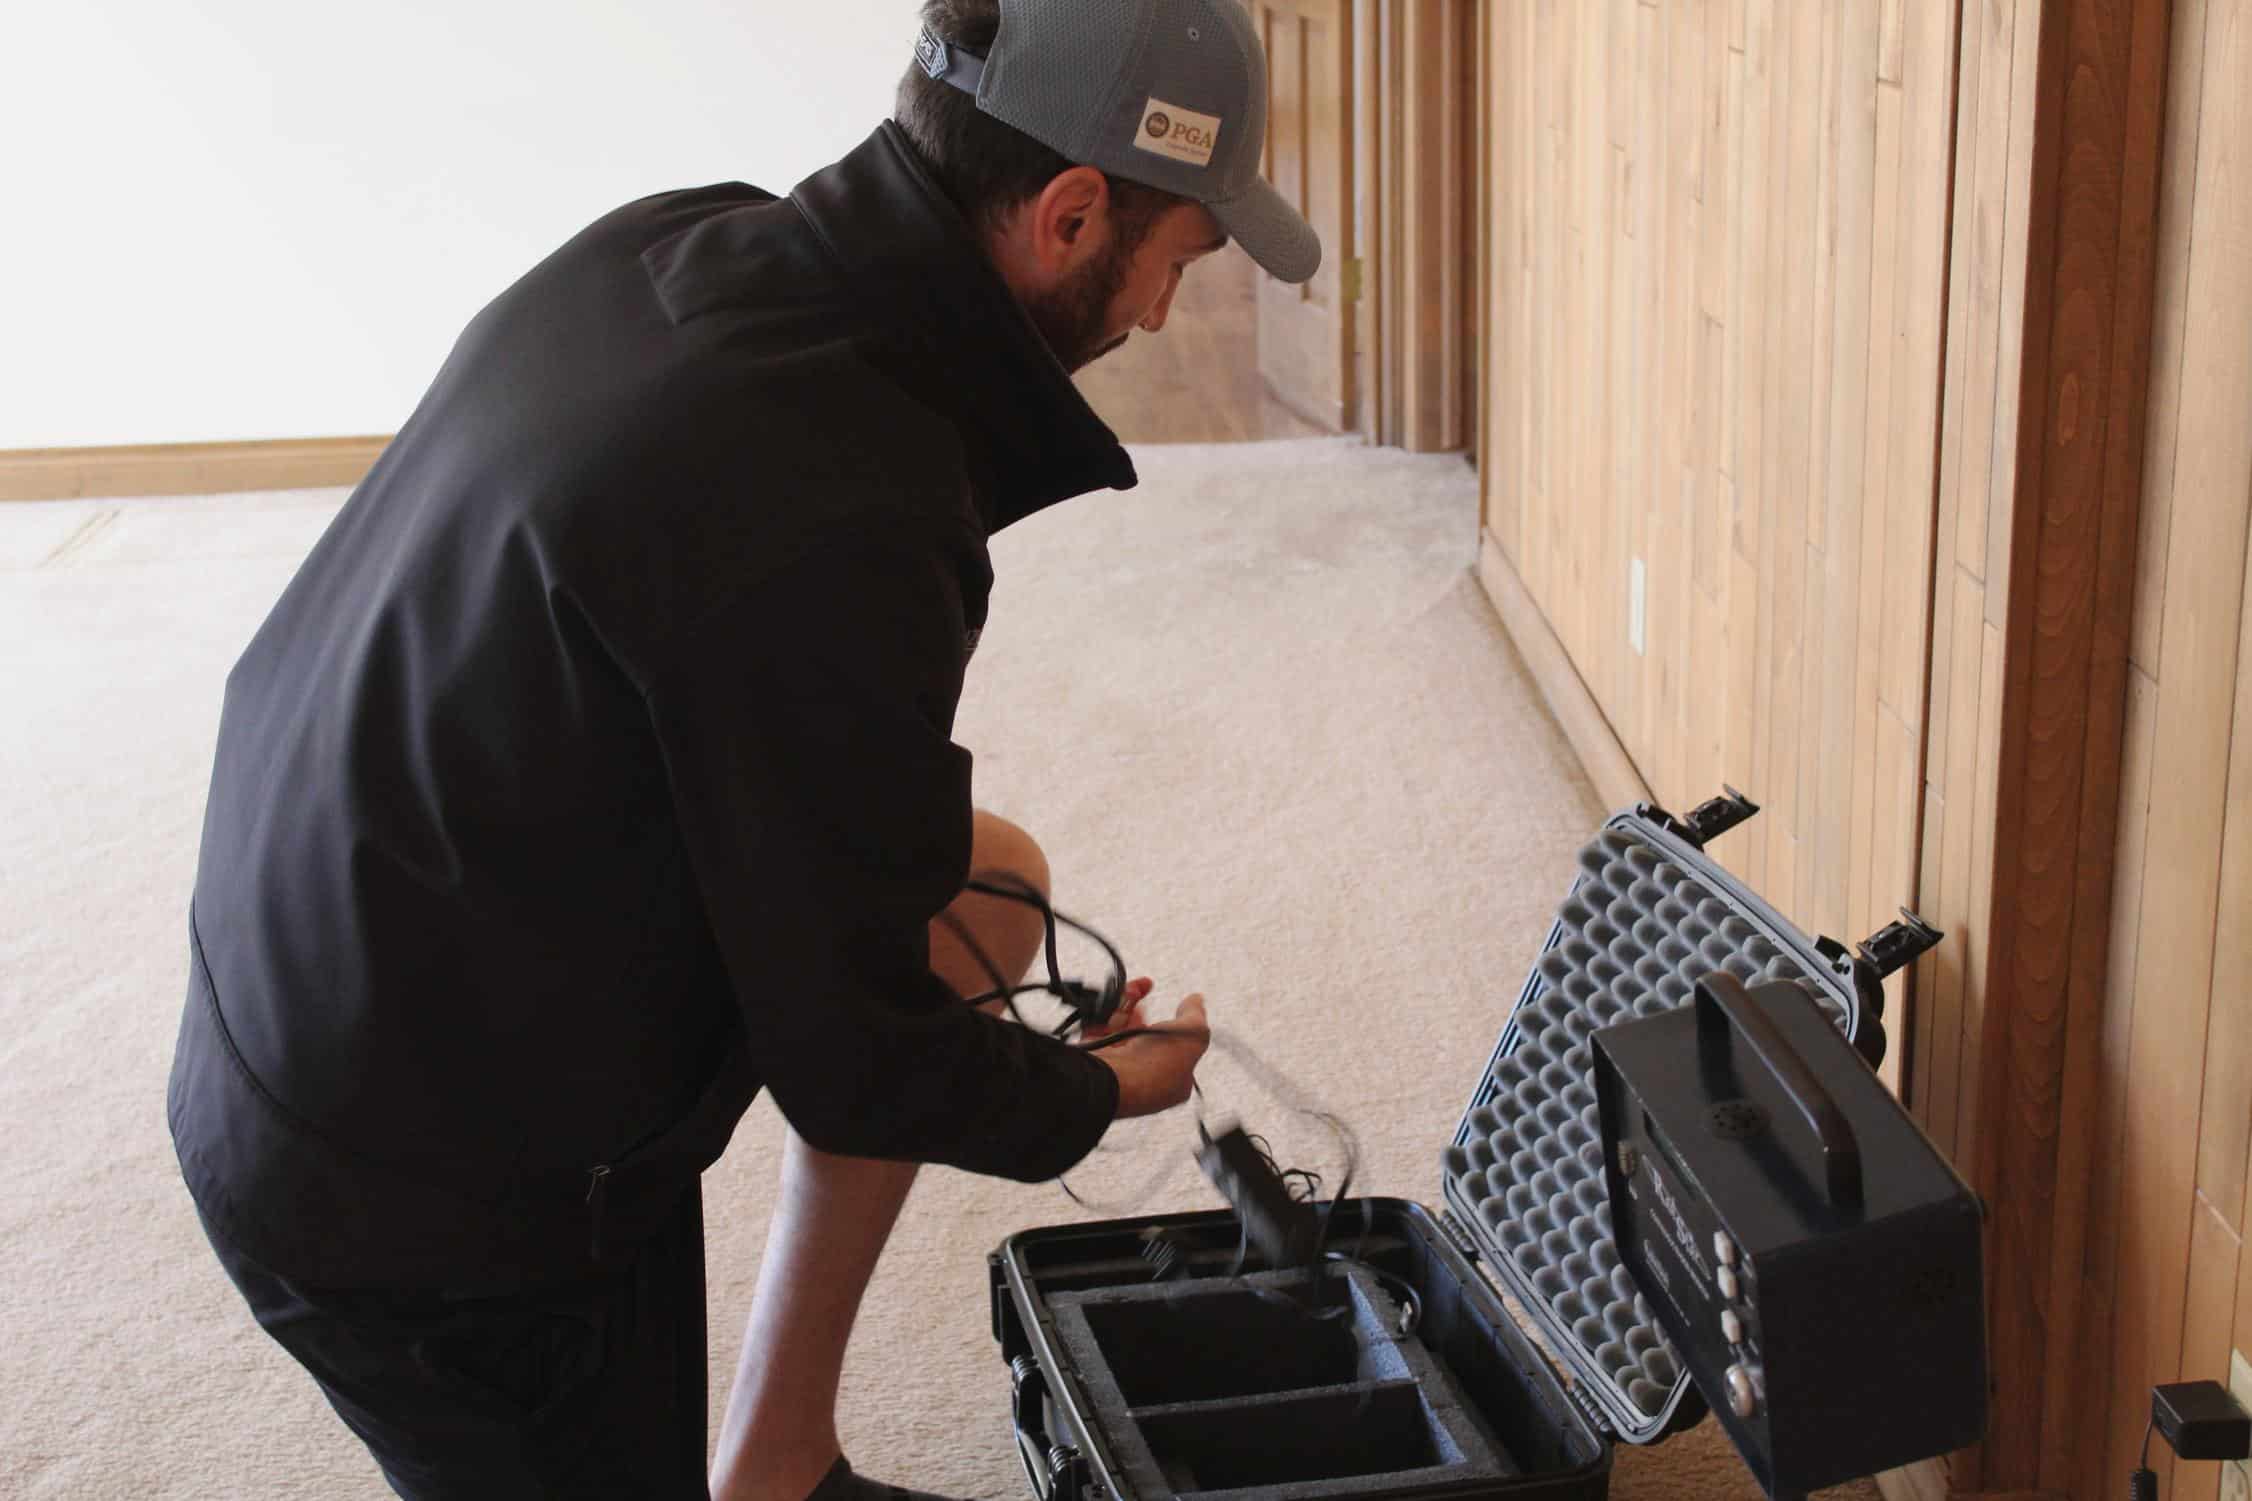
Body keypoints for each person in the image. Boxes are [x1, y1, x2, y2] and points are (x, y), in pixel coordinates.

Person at [166, 0, 1321, 1496]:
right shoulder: (843, 500)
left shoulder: (696, 239)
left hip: (341, 955)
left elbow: (849, 860)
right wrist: (1102, 1092)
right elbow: (858, 1066)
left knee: (986, 895)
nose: (1161, 312)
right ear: (1072, 215)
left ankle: (775, 1460)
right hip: (410, 1191)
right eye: (1183, 258)